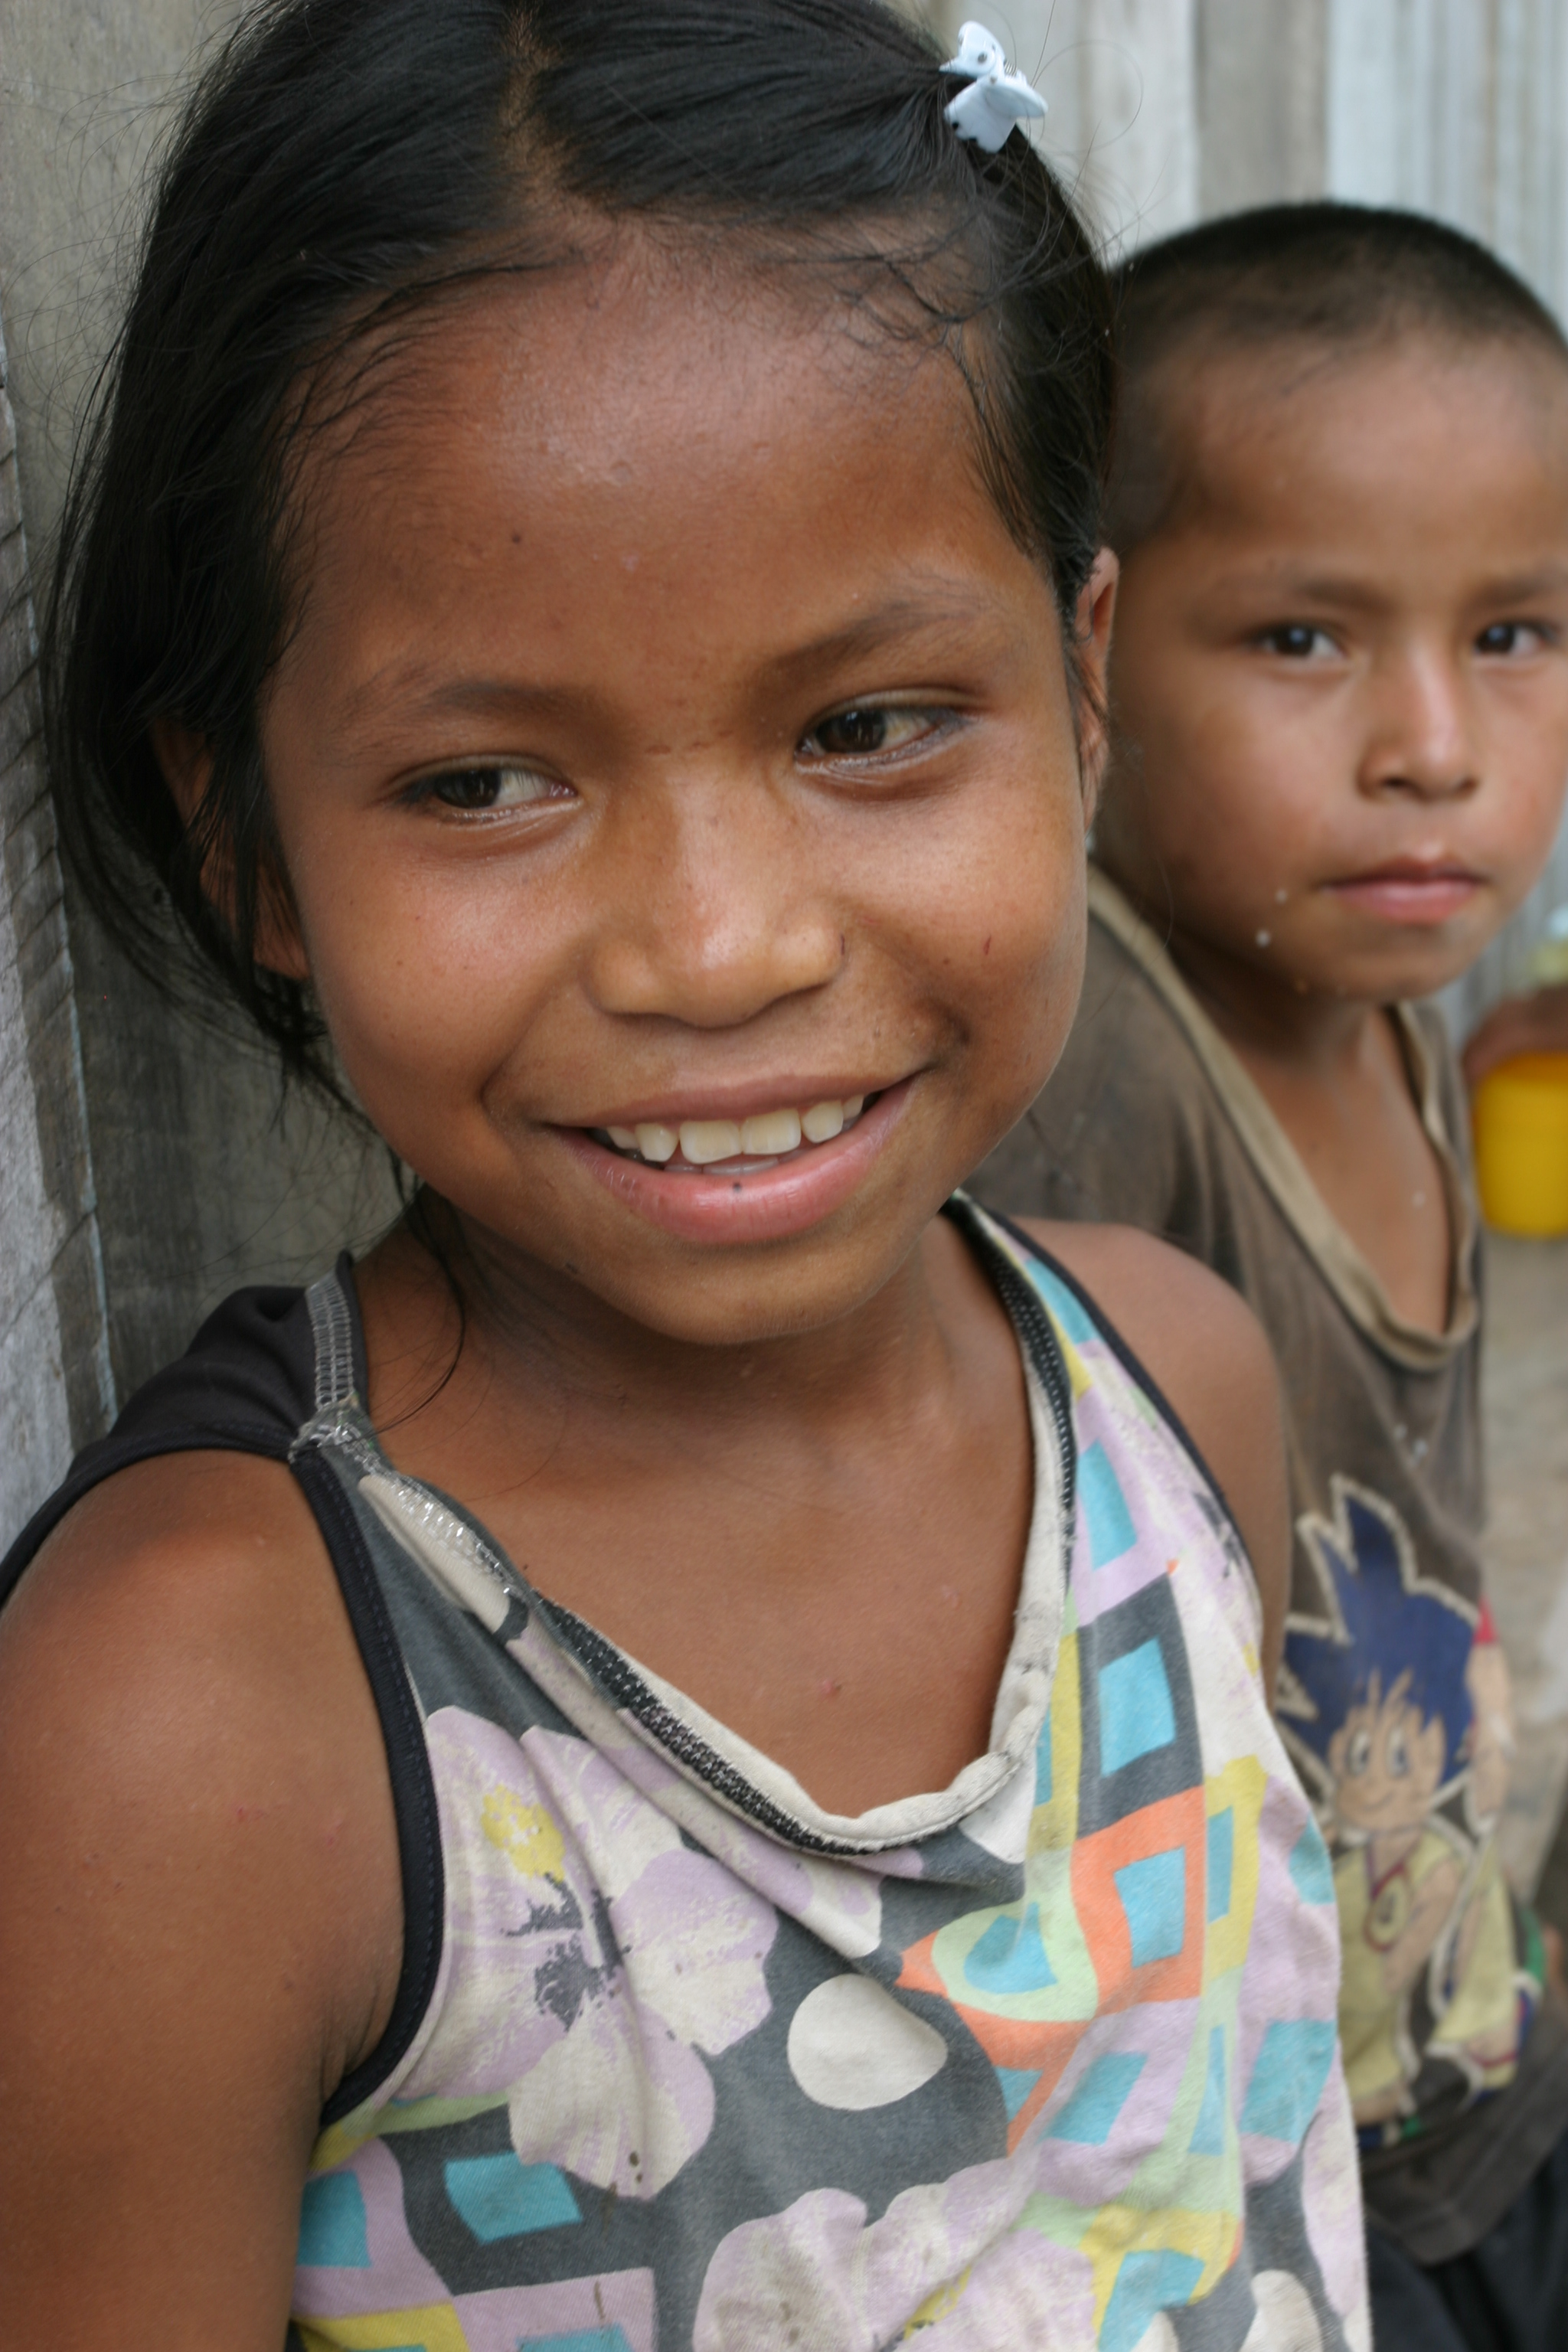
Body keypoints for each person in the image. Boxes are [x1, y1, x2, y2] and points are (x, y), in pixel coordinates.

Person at [0, 8, 1365, 2347]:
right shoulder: (200, 1713)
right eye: (483, 785)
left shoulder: (1175, 1391)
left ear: (1084, 685)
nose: (720, 950)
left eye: (870, 728)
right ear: (248, 846)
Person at [972, 203, 1568, 2350]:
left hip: (1454, 2018)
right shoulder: (1100, 1085)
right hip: (1273, 2166)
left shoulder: (1400, 993)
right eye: (1305, 639)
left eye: (1516, 633)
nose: (1434, 745)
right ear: (1093, 657)